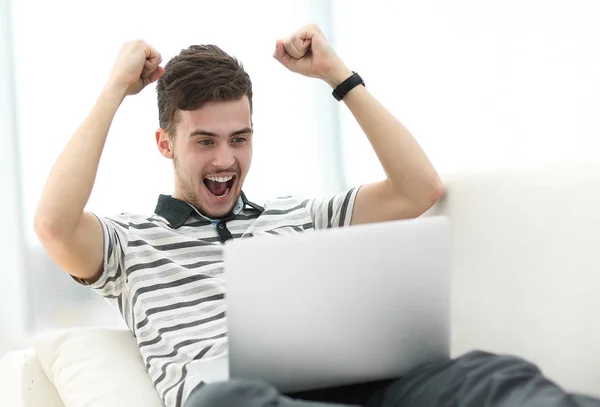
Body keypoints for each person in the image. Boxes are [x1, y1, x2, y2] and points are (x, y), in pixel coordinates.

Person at [34, 23, 599, 407]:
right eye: (204, 141)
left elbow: (417, 188)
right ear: (165, 144)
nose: (226, 159)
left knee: (486, 375)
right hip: (238, 398)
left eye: (240, 138)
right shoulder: (130, 243)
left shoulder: (301, 215)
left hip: (358, 383)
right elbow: (55, 225)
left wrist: (337, 75)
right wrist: (113, 89)